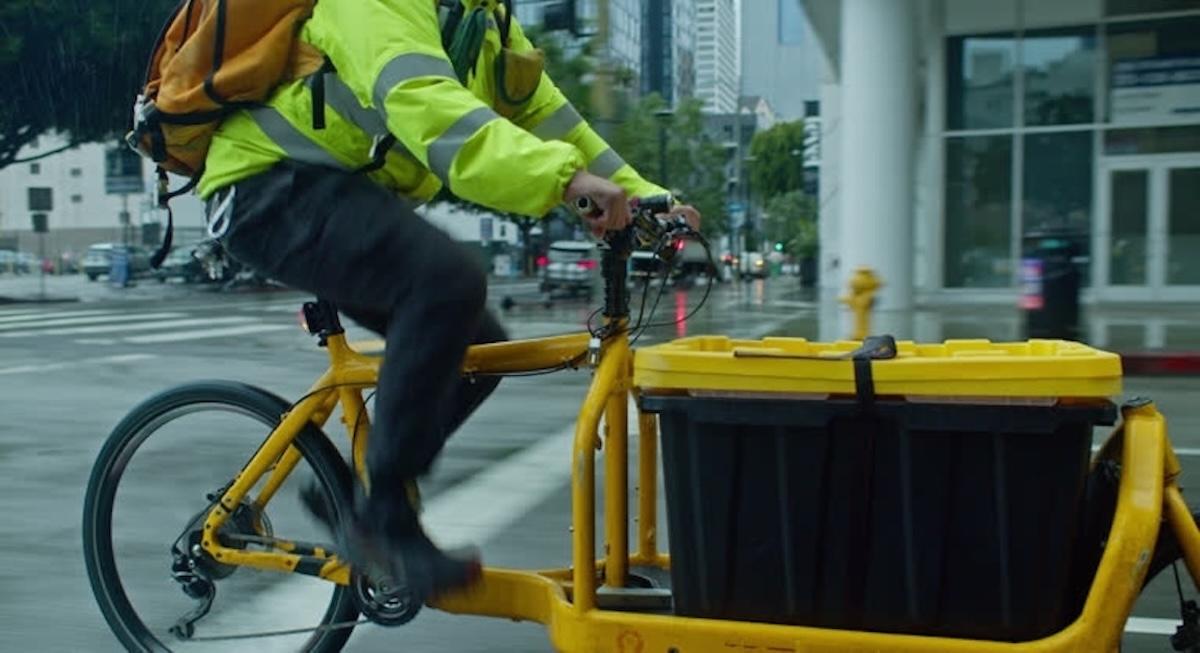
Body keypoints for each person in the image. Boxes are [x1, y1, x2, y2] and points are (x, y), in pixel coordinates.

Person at [197, 0, 700, 601]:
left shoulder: (486, 22)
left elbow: (553, 122)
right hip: (263, 186)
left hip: (339, 191)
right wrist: (563, 180)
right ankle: (383, 516)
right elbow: (430, 109)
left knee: (479, 348)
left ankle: (359, 495)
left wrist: (648, 197)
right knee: (444, 282)